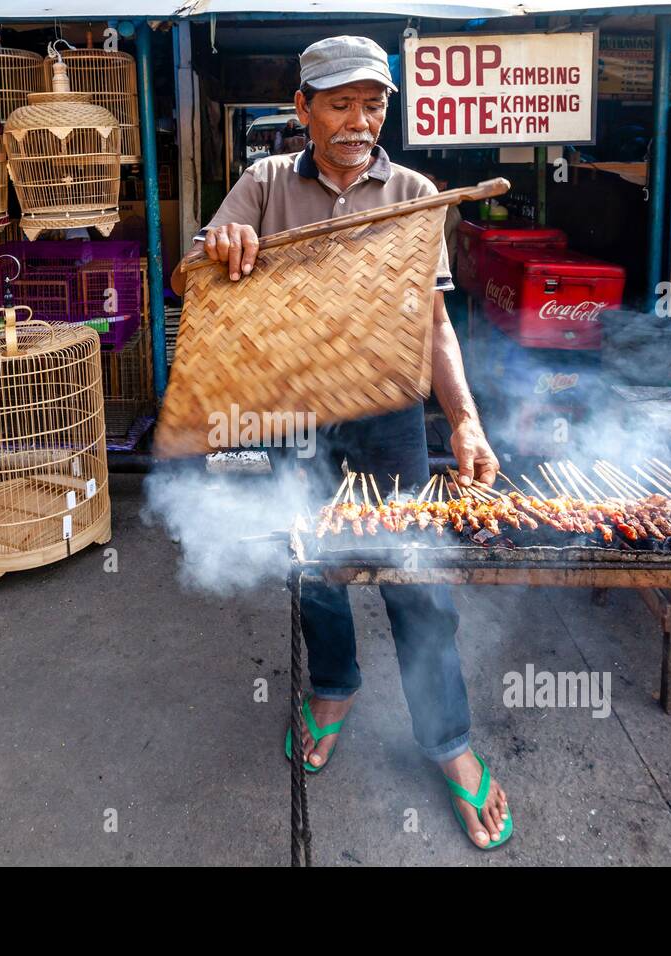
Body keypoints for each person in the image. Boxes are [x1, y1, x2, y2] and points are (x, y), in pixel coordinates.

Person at [169, 36, 512, 850]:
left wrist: (464, 418)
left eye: (374, 103)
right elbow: (192, 281)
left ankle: (450, 742)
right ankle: (333, 687)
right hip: (293, 413)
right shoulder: (262, 185)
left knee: (413, 572)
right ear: (303, 110)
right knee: (315, 564)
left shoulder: (416, 192)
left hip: (390, 413)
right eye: (339, 103)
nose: (360, 122)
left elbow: (433, 322)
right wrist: (219, 250)